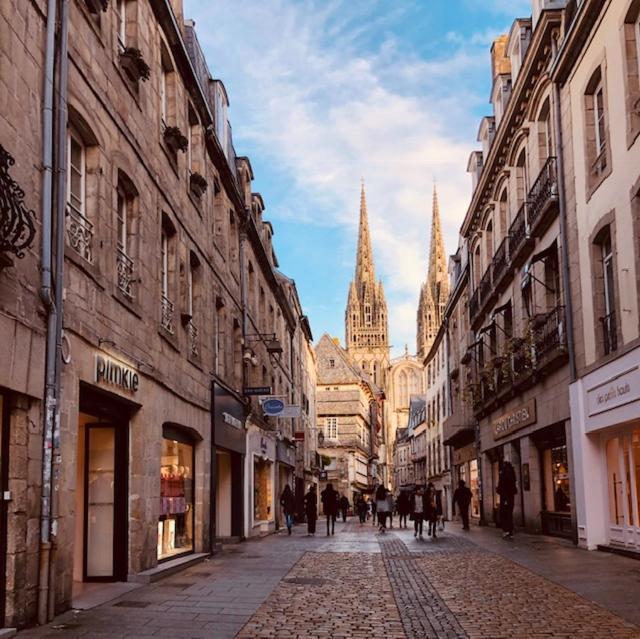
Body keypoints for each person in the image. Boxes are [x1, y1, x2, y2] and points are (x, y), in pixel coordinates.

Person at [497, 461, 518, 539]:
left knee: (504, 514)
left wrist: (499, 490)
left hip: (505, 497)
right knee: (509, 514)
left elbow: (501, 486)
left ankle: (506, 531)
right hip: (511, 497)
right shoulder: (512, 473)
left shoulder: (504, 474)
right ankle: (510, 531)